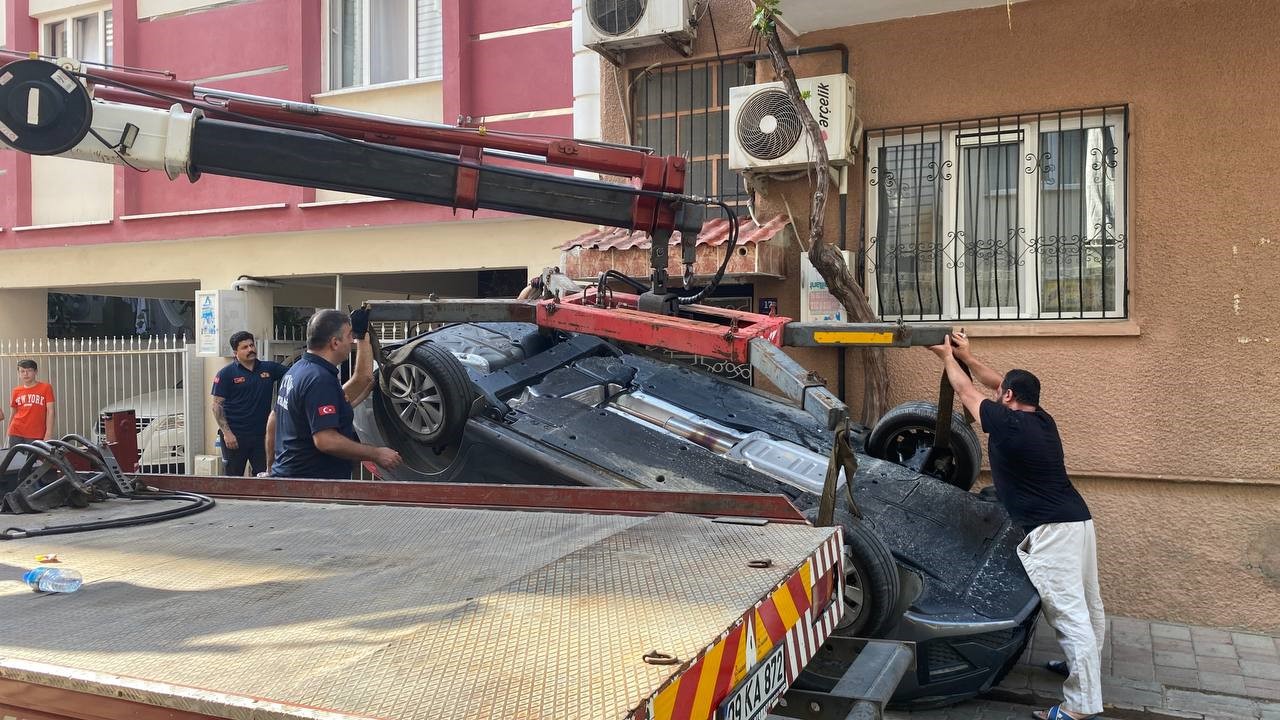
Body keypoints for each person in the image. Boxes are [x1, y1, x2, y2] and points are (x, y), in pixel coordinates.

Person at [929, 331, 1103, 720]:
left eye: (1002, 392)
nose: (996, 393)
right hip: (1078, 520)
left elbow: (966, 391)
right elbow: (992, 382)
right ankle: (1083, 668)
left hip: (1052, 530)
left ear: (1009, 398)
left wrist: (947, 359)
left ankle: (1080, 707)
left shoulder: (1007, 425)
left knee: (1069, 613)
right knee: (1088, 605)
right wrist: (970, 357)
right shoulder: (1041, 418)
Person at [268, 307, 401, 479]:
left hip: (290, 479)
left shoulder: (295, 371)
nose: (351, 341)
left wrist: (271, 467)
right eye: (349, 336)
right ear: (335, 343)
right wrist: (376, 453)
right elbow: (326, 441)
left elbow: (273, 419)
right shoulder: (320, 380)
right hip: (314, 487)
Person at [210, 331, 289, 476]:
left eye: (251, 345)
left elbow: (294, 374)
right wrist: (227, 434)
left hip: (261, 436)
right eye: (245, 347)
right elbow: (217, 405)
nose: (250, 349)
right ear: (235, 352)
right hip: (235, 437)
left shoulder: (269, 369)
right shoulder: (226, 374)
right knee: (233, 480)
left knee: (264, 476)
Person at [6, 359, 55, 446]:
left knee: (34, 459)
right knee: (16, 459)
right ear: (19, 373)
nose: (25, 374)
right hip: (15, 432)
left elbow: (50, 411)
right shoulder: (16, 391)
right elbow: (13, 413)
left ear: (35, 372)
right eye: (22, 371)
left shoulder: (46, 387)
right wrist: (8, 432)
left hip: (36, 434)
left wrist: (48, 433)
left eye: (29, 370)